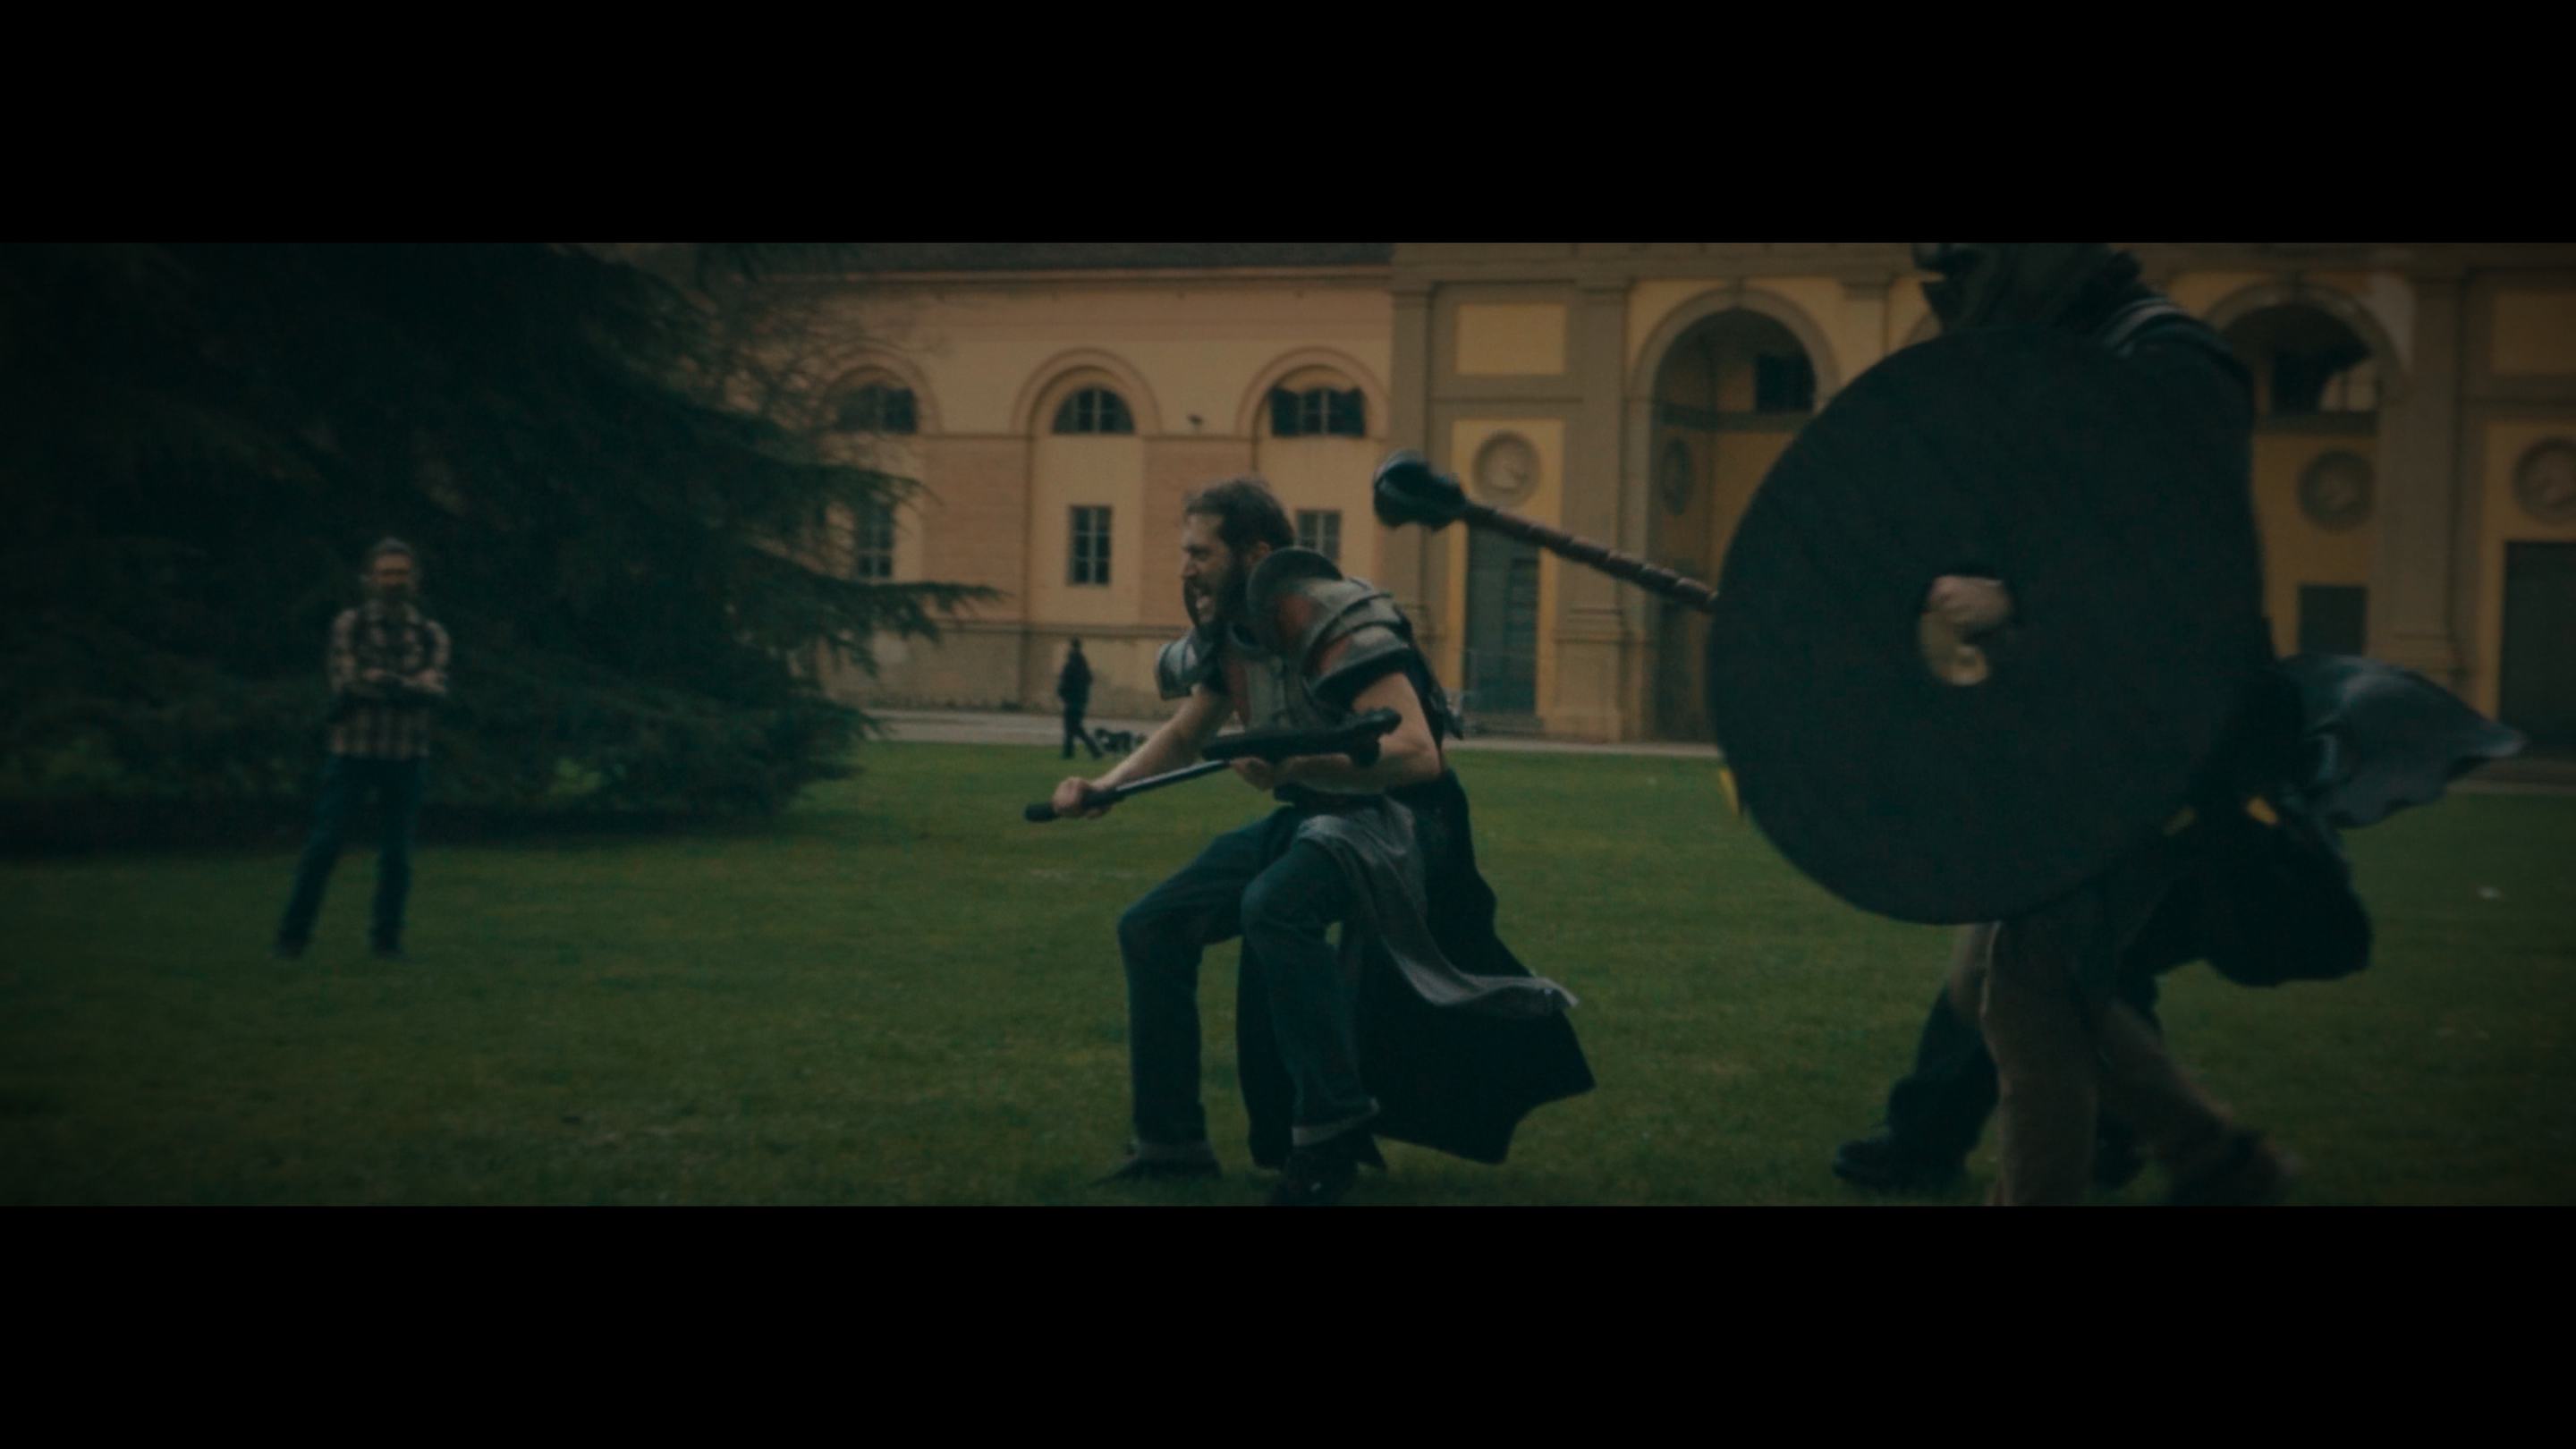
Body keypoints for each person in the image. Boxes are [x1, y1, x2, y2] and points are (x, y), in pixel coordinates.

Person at [1047, 478, 1591, 1205]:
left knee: (1276, 905)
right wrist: (1105, 786)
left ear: (1255, 553)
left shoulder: (1333, 618)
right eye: (1185, 553)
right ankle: (1171, 1145)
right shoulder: (1235, 632)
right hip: (1314, 817)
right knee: (1152, 927)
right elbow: (1185, 735)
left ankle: (1329, 1135)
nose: (1186, 570)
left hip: (1400, 821)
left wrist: (1295, 765)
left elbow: (1419, 755)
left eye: (1200, 554)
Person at [273, 538, 450, 961]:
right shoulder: (349, 624)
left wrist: (380, 681)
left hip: (407, 755)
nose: (394, 581)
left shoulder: (431, 633)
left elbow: (435, 690)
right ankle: (292, 937)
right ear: (369, 578)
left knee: (397, 855)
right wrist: (407, 688)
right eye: (386, 573)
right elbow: (348, 683)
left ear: (415, 579)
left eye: (401, 573)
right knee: (324, 846)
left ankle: (387, 942)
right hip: (353, 752)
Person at [1056, 639, 1101, 760]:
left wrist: (1062, 694)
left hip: (1071, 700)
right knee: (1074, 727)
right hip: (1081, 701)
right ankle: (1069, 752)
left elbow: (1064, 682)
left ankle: (1093, 751)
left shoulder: (1070, 665)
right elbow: (1089, 679)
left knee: (1073, 728)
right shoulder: (1083, 664)